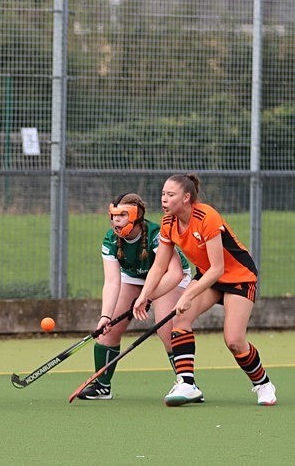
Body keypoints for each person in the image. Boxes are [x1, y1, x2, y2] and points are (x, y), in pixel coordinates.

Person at [134, 174, 277, 406]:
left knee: (234, 340)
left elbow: (218, 268)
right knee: (179, 320)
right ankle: (187, 384)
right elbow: (159, 266)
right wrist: (145, 296)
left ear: (186, 197)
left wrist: (188, 295)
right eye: (163, 194)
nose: (164, 199)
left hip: (238, 276)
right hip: (209, 276)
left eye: (170, 195)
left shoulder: (207, 216)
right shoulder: (168, 222)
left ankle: (263, 383)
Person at [77, 193, 193, 400]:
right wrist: (105, 316)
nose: (116, 221)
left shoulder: (156, 234)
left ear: (137, 216)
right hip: (134, 277)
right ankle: (102, 386)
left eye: (122, 215)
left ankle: (187, 384)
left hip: (169, 277)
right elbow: (112, 281)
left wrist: (147, 297)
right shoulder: (111, 239)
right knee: (109, 328)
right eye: (113, 215)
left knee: (166, 329)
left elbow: (175, 273)